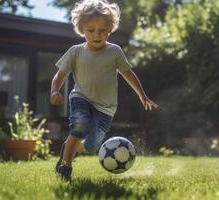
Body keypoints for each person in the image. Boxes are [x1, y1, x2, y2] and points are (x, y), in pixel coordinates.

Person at [50, 0, 158, 181]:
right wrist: (54, 90)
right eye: (91, 30)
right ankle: (65, 167)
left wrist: (142, 95)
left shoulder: (114, 51)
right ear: (81, 29)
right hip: (81, 98)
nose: (97, 34)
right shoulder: (75, 52)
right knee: (79, 126)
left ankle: (72, 147)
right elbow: (60, 75)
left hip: (106, 108)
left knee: (92, 146)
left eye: (102, 30)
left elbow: (128, 74)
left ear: (110, 29)